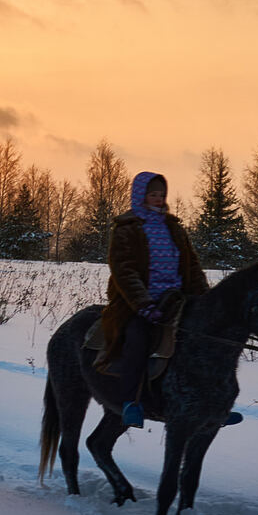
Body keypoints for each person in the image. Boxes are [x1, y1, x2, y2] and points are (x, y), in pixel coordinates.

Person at [97, 171, 208, 428]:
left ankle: (209, 403)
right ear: (140, 195)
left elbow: (191, 264)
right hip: (137, 304)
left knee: (202, 340)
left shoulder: (173, 227)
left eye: (161, 195)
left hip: (178, 300)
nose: (158, 199)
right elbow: (124, 270)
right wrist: (143, 304)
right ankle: (131, 402)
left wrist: (204, 299)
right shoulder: (127, 229)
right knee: (137, 338)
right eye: (153, 194)